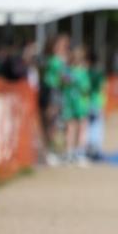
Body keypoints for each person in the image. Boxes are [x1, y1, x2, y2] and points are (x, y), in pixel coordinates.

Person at [41, 33, 70, 165]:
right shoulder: (55, 60)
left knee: (56, 123)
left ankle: (53, 151)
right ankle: (49, 152)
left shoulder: (59, 60)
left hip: (57, 92)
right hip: (52, 92)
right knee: (51, 122)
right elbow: (63, 76)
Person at [61, 44, 92, 166]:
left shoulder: (67, 72)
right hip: (79, 104)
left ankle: (70, 152)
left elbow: (62, 83)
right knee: (81, 128)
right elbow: (86, 88)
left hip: (69, 102)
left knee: (70, 128)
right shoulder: (82, 72)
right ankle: (79, 153)